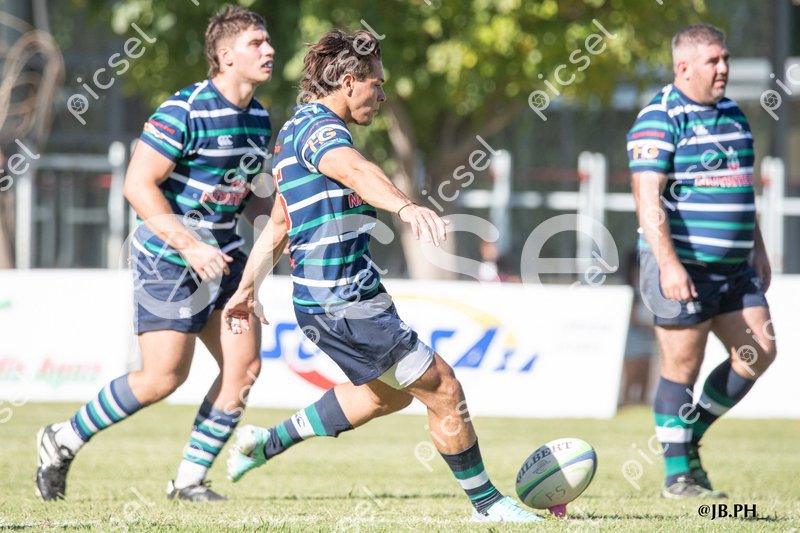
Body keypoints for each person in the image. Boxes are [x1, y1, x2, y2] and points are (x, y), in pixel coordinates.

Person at [222, 29, 540, 523]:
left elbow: (281, 222)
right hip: (342, 301)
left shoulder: (294, 130)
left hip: (340, 297)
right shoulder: (322, 131)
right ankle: (488, 506)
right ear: (348, 82)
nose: (383, 94)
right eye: (377, 83)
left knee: (384, 395)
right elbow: (355, 170)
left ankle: (267, 442)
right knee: (443, 388)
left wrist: (246, 289)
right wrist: (405, 206)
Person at [35, 6, 275, 502]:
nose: (269, 50)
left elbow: (247, 195)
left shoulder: (259, 118)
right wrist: (191, 246)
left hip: (224, 256)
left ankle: (188, 480)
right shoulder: (183, 110)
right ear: (226, 55)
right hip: (168, 254)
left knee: (245, 367)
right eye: (256, 43)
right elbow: (137, 184)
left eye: (267, 41)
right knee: (164, 376)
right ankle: (62, 438)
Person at [627, 24, 776, 499]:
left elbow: (741, 187)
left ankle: (687, 435)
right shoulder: (660, 117)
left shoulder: (733, 114)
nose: (724, 68)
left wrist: (757, 247)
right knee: (682, 368)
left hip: (734, 268)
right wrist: (669, 265)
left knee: (759, 351)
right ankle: (678, 476)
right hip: (681, 265)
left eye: (725, 58)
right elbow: (647, 197)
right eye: (713, 60)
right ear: (684, 66)